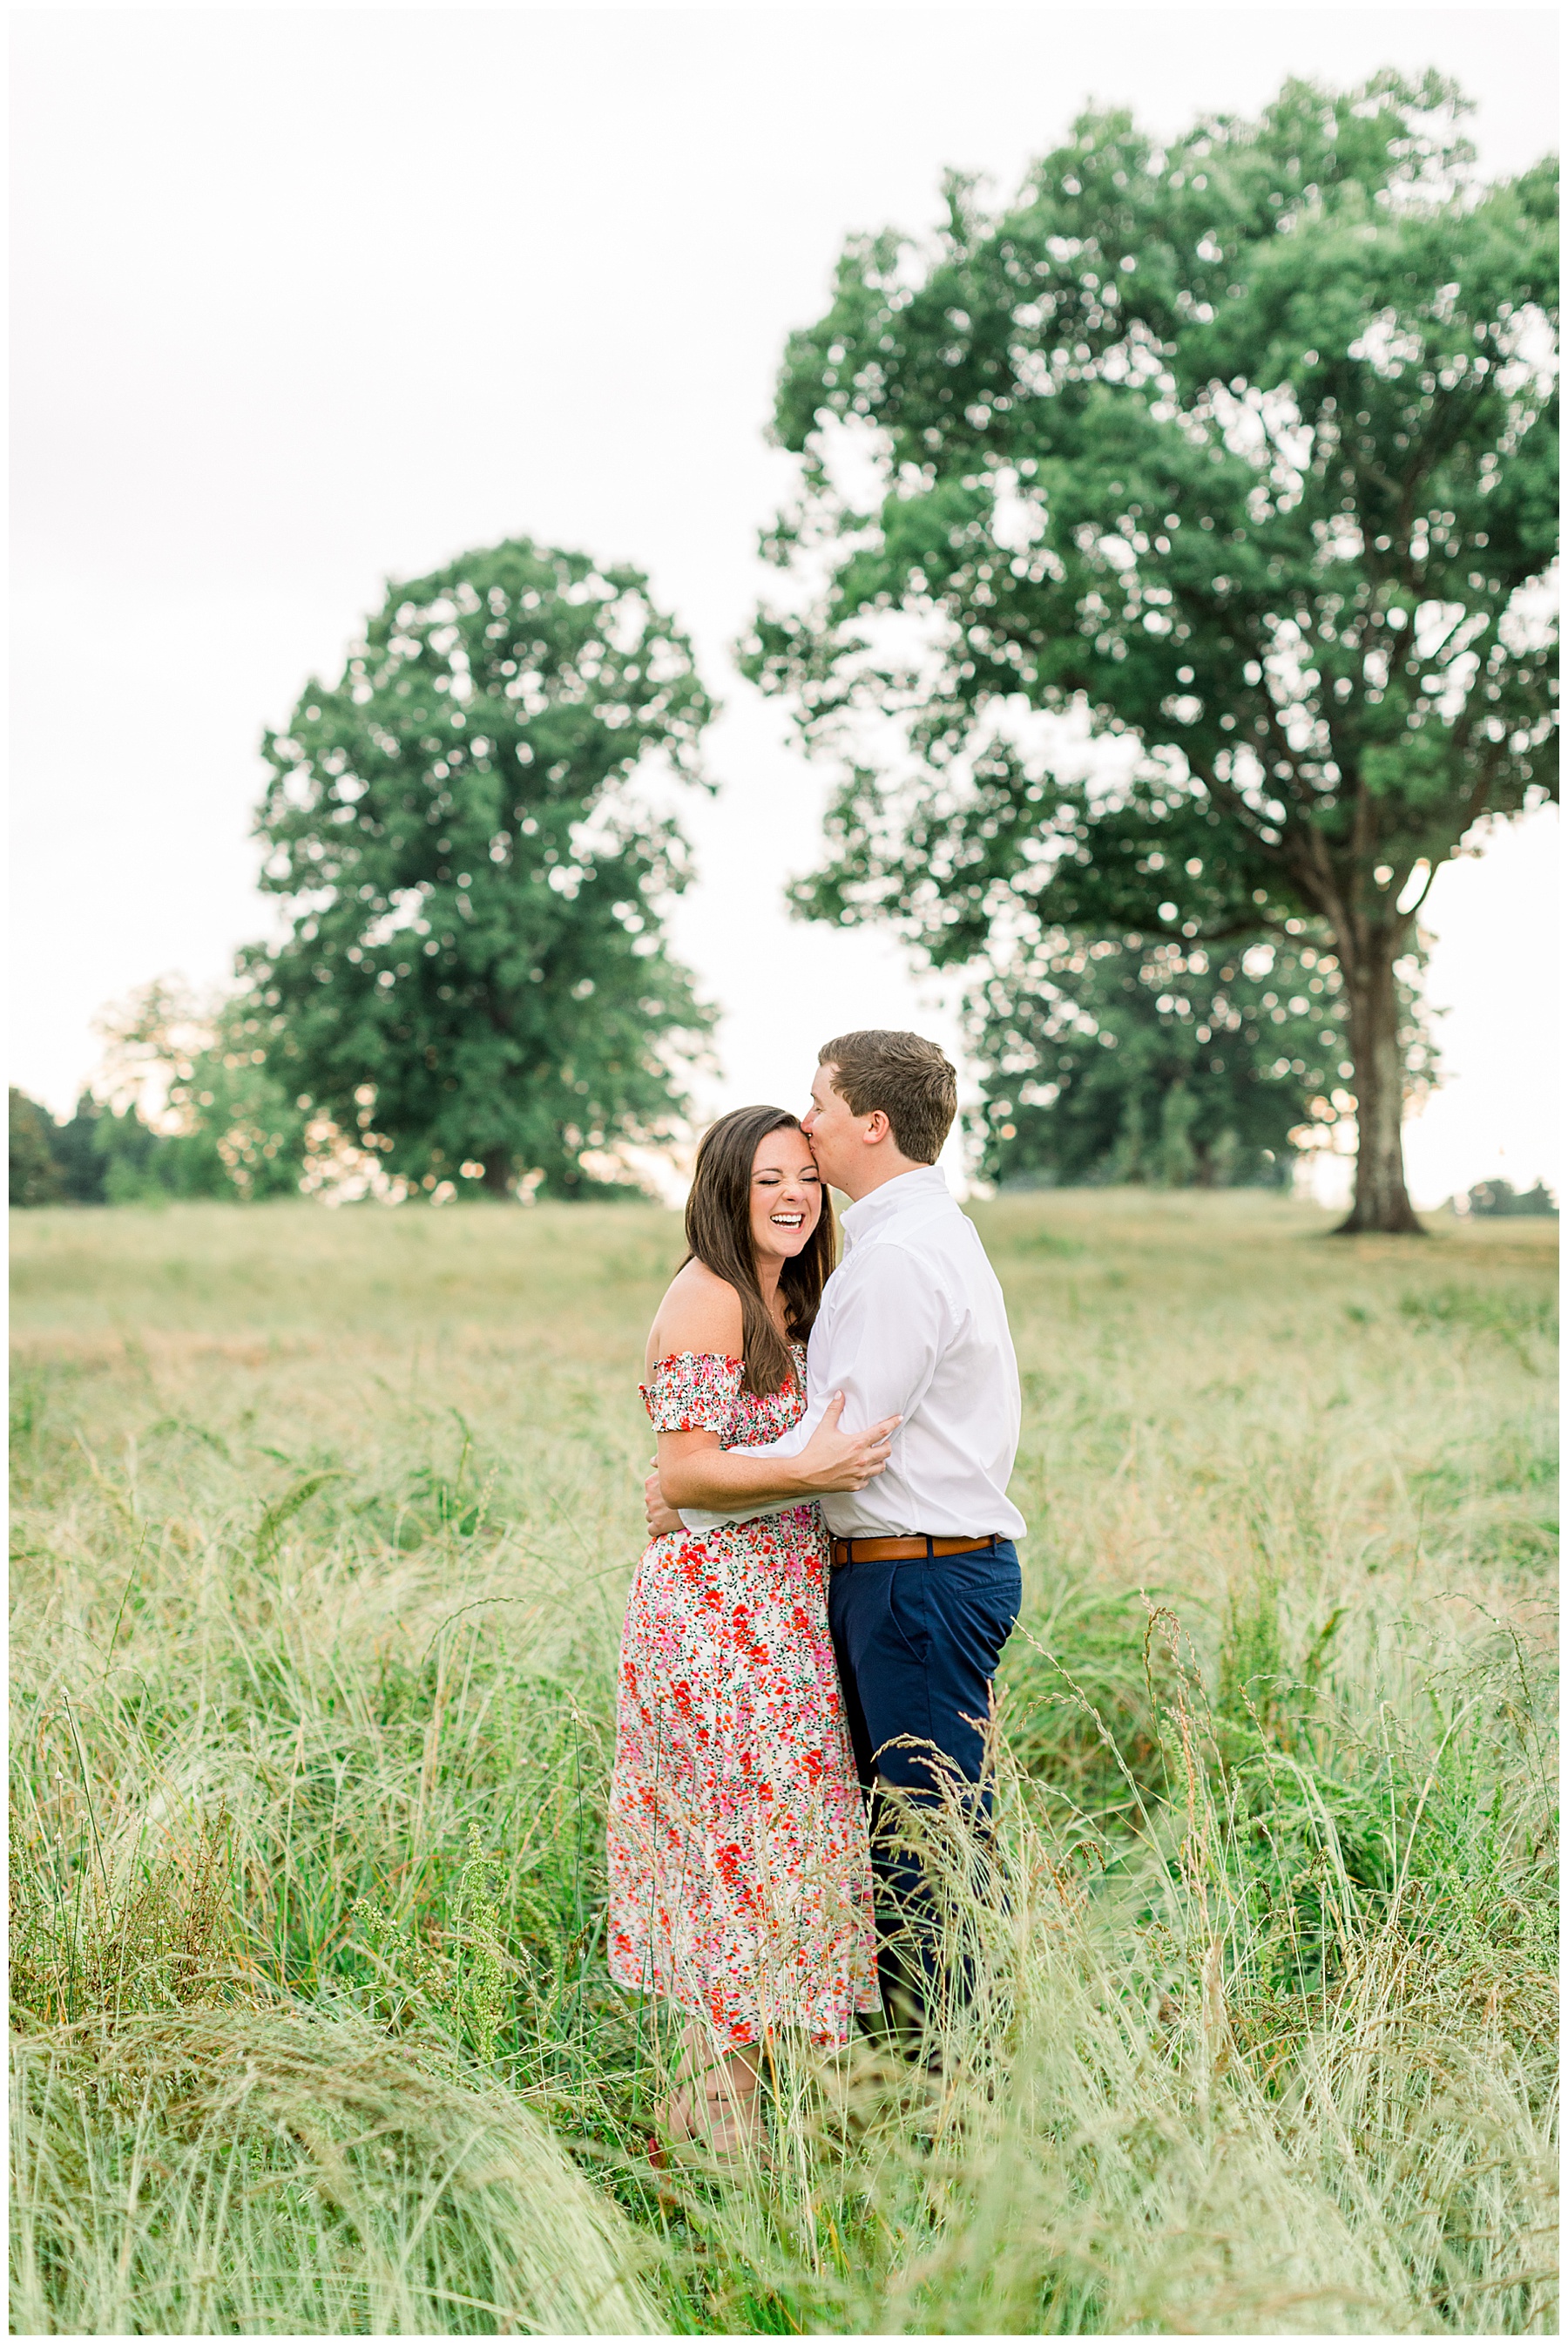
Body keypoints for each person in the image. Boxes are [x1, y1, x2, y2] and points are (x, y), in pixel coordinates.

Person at [647, 1031, 1024, 2046]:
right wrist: (698, 1486)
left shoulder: (893, 1258)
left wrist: (689, 1498)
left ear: (871, 1123)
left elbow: (836, 1443)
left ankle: (935, 2095)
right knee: (897, 1844)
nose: (806, 1124)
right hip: (874, 1583)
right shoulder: (904, 1242)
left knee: (920, 1852)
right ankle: (895, 2080)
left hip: (913, 1581)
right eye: (771, 1168)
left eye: (817, 1109)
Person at [605, 1104, 899, 2158]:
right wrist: (805, 1473)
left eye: (807, 1180)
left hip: (782, 1621)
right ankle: (710, 2142)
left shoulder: (795, 1297)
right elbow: (684, 1468)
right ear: (726, 1187)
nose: (792, 1196)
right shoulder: (709, 1295)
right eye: (768, 1177)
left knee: (776, 1869)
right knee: (736, 1876)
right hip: (715, 1629)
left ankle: (721, 2128)